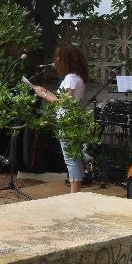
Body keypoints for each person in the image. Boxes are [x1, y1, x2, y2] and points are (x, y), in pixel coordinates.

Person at [33, 44, 90, 194]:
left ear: (67, 60)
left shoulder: (71, 78)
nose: (56, 60)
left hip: (67, 120)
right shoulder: (77, 77)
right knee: (73, 157)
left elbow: (63, 102)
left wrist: (43, 93)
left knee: (70, 159)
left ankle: (75, 194)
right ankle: (75, 192)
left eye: (59, 57)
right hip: (72, 118)